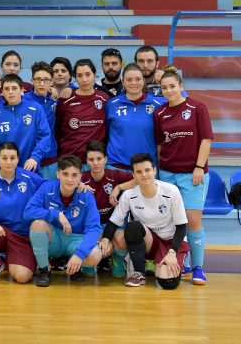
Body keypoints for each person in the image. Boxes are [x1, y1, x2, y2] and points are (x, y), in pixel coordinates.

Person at [154, 66, 213, 284]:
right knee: (172, 221)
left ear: (181, 86)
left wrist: (199, 167)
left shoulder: (197, 107)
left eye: (172, 86)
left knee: (193, 220)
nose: (168, 90)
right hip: (167, 173)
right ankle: (182, 261)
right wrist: (159, 170)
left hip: (192, 173)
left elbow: (206, 139)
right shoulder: (159, 113)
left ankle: (198, 267)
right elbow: (160, 145)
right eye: (164, 87)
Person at [99, 153, 190, 289]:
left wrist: (172, 253)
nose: (144, 175)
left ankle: (159, 265)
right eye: (139, 172)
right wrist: (105, 239)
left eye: (147, 170)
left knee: (168, 282)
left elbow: (182, 226)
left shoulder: (171, 191)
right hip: (149, 241)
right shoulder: (129, 195)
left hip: (171, 242)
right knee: (132, 226)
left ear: (154, 170)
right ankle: (139, 272)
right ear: (133, 175)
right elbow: (114, 222)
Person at [0, 142, 46, 283]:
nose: (8, 162)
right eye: (4, 158)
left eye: (12, 158)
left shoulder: (29, 177)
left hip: (22, 236)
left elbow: (50, 188)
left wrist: (76, 185)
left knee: (22, 278)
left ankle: (17, 259)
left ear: (18, 159)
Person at [25, 155, 103, 286]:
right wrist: (56, 214)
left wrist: (79, 254)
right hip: (55, 238)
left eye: (74, 175)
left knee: (95, 255)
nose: (70, 179)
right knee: (37, 224)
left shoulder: (86, 195)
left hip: (75, 239)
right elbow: (28, 211)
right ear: (58, 174)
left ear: (80, 176)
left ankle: (75, 266)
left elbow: (94, 228)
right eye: (65, 174)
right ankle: (44, 270)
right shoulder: (47, 188)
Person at [81, 140, 135, 278]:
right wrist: (77, 187)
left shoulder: (115, 175)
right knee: (94, 248)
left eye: (99, 159)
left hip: (114, 224)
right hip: (93, 226)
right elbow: (61, 186)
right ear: (86, 161)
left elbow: (138, 179)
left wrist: (119, 187)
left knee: (121, 238)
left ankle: (118, 261)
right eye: (91, 159)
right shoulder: (81, 178)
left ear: (105, 159)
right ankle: (88, 263)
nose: (95, 163)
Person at [105, 64, 162, 170]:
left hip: (146, 168)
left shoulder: (158, 104)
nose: (134, 83)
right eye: (129, 80)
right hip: (116, 166)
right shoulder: (111, 104)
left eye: (138, 79)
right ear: (123, 82)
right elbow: (106, 132)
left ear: (143, 81)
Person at [0, 74, 52, 173]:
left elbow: (45, 136)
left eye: (14, 88)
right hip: (6, 169)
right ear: (2, 92)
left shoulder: (35, 108)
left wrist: (35, 157)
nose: (10, 92)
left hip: (30, 167)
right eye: (6, 89)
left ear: (22, 90)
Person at [55, 59, 108, 162]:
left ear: (95, 75)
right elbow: (57, 129)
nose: (84, 79)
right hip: (70, 160)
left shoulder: (104, 98)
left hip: (95, 162)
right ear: (75, 77)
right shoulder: (66, 99)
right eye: (79, 75)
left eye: (88, 74)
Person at [23, 61, 59, 179]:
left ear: (52, 82)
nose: (42, 84)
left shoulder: (54, 101)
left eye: (46, 80)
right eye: (38, 79)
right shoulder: (22, 101)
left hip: (50, 158)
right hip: (28, 159)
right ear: (32, 81)